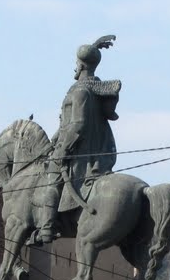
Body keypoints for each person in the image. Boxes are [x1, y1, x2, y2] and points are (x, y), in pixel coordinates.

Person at [31, 34, 122, 245]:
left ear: (80, 66)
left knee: (51, 175)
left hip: (82, 153)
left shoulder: (80, 91)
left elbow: (77, 125)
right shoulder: (97, 89)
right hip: (99, 150)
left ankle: (46, 229)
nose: (75, 67)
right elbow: (65, 125)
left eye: (76, 63)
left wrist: (61, 150)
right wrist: (52, 141)